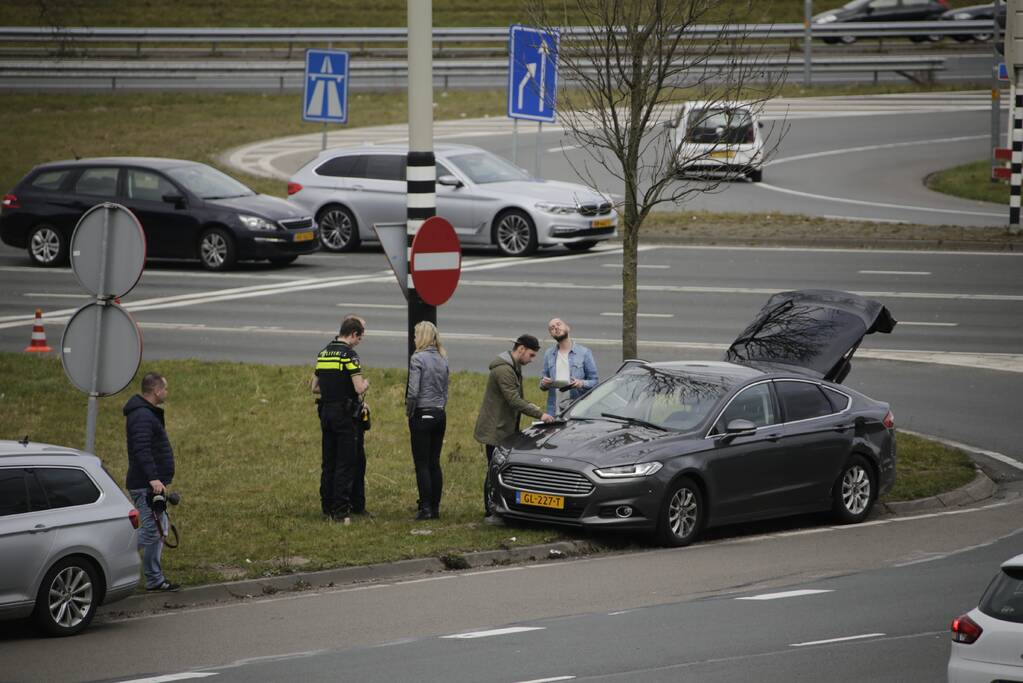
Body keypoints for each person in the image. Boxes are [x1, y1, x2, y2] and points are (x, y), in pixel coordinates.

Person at [473, 334, 555, 519]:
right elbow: (513, 400)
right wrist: (540, 413)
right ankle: (491, 510)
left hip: (503, 428)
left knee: (500, 469)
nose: (532, 360)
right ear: (521, 349)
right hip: (496, 429)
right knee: (494, 471)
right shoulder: (505, 370)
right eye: (531, 355)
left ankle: (500, 508)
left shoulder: (513, 366)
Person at [123, 371, 179, 592]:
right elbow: (142, 449)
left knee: (160, 528)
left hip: (153, 485)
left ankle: (155, 579)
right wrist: (153, 478)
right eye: (164, 388)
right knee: (152, 531)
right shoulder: (142, 416)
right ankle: (115, 556)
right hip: (146, 484)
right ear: (156, 391)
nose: (166, 392)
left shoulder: (146, 413)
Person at [312, 316, 369, 524]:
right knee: (346, 462)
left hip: (326, 411)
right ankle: (340, 511)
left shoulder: (324, 352)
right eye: (360, 338)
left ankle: (326, 506)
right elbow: (358, 387)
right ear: (353, 334)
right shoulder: (349, 355)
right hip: (345, 415)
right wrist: (366, 383)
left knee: (329, 462)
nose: (359, 342)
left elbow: (314, 388)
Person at [405, 321, 450, 520]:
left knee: (421, 463)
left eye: (416, 335)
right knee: (434, 462)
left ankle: (425, 508)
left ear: (421, 337)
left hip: (422, 413)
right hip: (439, 413)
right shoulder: (443, 357)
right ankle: (435, 507)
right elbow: (445, 389)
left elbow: (413, 391)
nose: (414, 338)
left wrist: (409, 410)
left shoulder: (417, 358)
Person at [539, 317, 599, 415]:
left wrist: (581, 383)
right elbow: (542, 384)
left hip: (577, 409)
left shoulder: (584, 352)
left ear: (567, 327)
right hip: (554, 410)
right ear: (551, 335)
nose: (556, 328)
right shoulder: (549, 354)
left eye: (558, 324)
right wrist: (544, 383)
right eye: (552, 328)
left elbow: (595, 381)